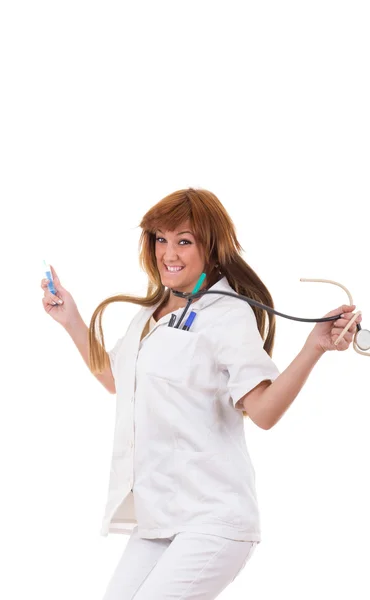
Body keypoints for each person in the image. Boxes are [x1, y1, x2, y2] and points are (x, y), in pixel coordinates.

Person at [41, 187, 360, 600]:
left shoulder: (228, 314)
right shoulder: (150, 314)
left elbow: (263, 411)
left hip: (214, 519)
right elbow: (117, 381)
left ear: (211, 248)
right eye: (160, 238)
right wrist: (71, 320)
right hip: (158, 518)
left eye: (184, 241)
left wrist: (313, 347)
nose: (168, 253)